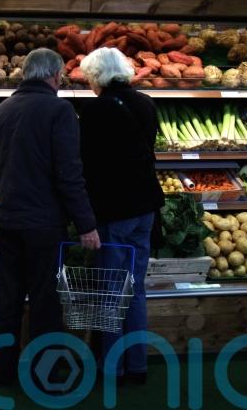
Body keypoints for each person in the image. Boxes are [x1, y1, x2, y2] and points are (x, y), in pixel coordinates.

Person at [0, 48, 101, 387]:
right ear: (55, 76)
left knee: (8, 299)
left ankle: (5, 372)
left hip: (8, 220)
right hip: (43, 224)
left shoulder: (2, 109)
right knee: (45, 301)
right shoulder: (60, 110)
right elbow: (69, 173)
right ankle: (44, 373)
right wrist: (86, 224)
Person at [78, 47, 165, 385]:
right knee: (136, 288)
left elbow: (88, 163)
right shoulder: (146, 103)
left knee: (111, 290)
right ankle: (137, 365)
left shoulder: (95, 110)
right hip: (145, 207)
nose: (89, 84)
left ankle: (112, 368)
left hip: (115, 210)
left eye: (89, 78)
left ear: (97, 77)